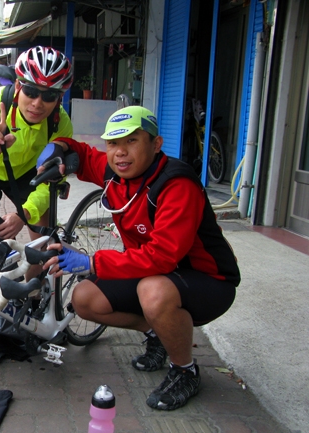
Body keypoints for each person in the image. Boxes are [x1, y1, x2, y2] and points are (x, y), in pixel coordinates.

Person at [40, 106, 240, 410]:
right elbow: (81, 150)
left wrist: (93, 262)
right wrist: (60, 147)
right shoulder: (114, 171)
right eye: (113, 143)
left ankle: (185, 371)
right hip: (153, 274)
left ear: (156, 144)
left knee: (154, 292)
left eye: (132, 141)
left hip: (208, 280)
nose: (120, 153)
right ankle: (157, 334)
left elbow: (162, 257)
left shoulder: (177, 185)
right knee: (84, 298)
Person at [0, 46, 74, 240]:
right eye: (31, 91)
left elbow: (55, 179)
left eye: (49, 96)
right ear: (18, 86)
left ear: (59, 98)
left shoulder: (59, 122)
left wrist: (24, 214)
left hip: (27, 172)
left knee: (43, 241)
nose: (37, 103)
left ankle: (35, 271)